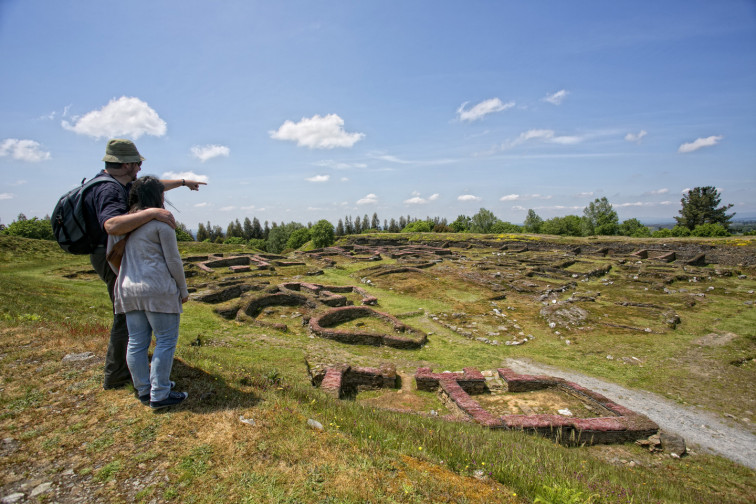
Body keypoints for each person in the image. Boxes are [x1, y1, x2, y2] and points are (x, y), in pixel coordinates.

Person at [84, 138, 205, 390]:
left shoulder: (123, 184)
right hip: (118, 262)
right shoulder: (110, 190)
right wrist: (153, 212)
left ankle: (141, 386)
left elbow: (150, 187)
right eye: (137, 163)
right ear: (126, 164)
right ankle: (121, 376)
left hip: (125, 271)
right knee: (134, 326)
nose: (139, 167)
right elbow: (111, 225)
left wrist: (183, 182)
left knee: (135, 334)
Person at [110, 176, 189, 409]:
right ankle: (161, 394)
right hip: (157, 288)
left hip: (128, 288)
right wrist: (182, 289)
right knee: (165, 341)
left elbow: (114, 258)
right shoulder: (161, 223)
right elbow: (173, 260)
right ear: (159, 197)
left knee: (136, 341)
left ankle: (144, 390)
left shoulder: (124, 224)